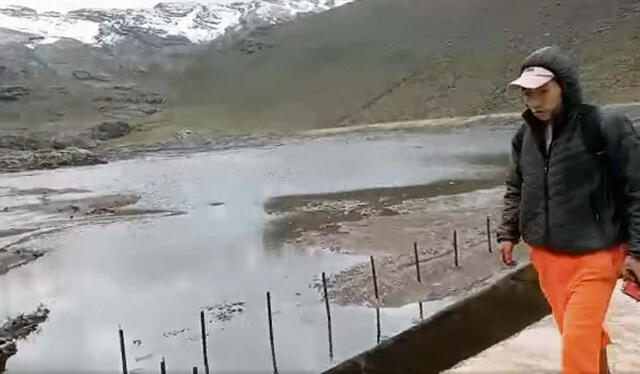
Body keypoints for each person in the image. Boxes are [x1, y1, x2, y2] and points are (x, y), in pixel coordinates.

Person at [497, 45, 640, 374]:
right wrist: (508, 233)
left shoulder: (604, 125)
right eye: (528, 94)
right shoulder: (524, 137)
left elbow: (637, 187)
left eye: (543, 91)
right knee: (582, 336)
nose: (535, 102)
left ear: (565, 86)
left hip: (597, 255)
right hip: (547, 258)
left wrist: (637, 250)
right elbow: (516, 186)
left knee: (577, 344)